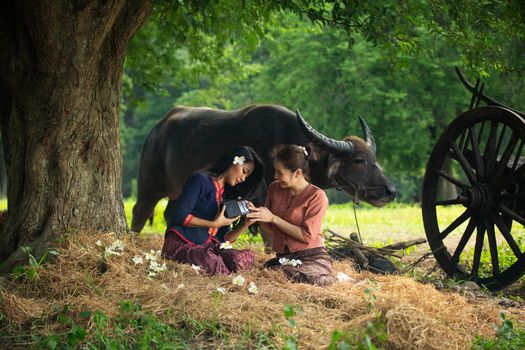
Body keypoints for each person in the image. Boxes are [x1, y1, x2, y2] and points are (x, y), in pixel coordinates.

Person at [162, 146, 264, 275]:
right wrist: (214, 224)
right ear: (234, 161)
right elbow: (179, 216)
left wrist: (245, 224)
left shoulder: (226, 194)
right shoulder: (200, 179)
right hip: (181, 244)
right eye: (244, 171)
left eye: (247, 176)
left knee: (243, 258)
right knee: (215, 264)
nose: (243, 179)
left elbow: (224, 238)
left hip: (206, 248)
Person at [247, 144, 336, 286]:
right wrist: (257, 215)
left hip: (311, 256)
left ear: (298, 173)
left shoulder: (317, 196)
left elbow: (307, 236)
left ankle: (333, 278)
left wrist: (274, 218)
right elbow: (271, 228)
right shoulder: (274, 188)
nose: (275, 176)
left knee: (291, 275)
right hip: (284, 258)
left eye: (280, 173)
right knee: (269, 272)